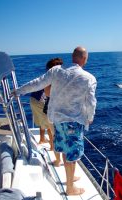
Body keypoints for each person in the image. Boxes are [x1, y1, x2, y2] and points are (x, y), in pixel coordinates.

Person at [13, 46, 97, 196]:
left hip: (57, 120)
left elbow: (37, 83)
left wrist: (18, 91)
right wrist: (90, 118)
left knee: (65, 150)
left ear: (72, 56)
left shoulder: (55, 70)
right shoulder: (89, 78)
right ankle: (70, 188)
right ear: (84, 59)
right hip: (74, 122)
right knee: (73, 155)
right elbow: (91, 102)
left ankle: (70, 179)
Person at [30, 58, 63, 150]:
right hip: (40, 100)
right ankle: (52, 147)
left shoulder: (47, 75)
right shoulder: (53, 77)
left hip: (34, 99)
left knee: (43, 122)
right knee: (49, 124)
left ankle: (42, 139)